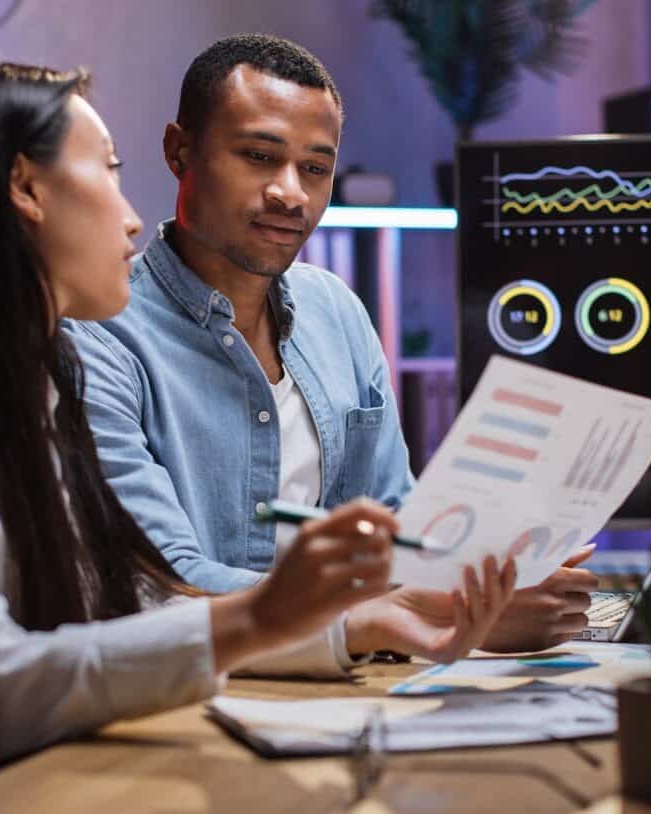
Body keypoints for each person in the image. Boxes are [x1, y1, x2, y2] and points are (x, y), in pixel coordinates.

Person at [0, 64, 515, 812]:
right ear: (26, 189)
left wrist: (354, 625)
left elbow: (123, 604)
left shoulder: (26, 381)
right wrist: (256, 617)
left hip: (10, 752)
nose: (135, 216)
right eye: (107, 171)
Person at [64, 34, 597, 654]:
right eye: (260, 157)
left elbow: (400, 528)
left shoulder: (336, 311)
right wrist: (414, 608)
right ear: (179, 151)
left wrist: (487, 587)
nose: (291, 192)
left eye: (315, 168)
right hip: (191, 698)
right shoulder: (97, 329)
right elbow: (161, 580)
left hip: (361, 680)